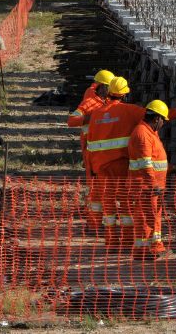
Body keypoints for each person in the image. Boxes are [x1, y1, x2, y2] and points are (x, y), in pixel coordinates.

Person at [85, 79, 176, 249]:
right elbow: (153, 113)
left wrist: (91, 167)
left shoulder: (96, 115)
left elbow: (90, 144)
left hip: (101, 166)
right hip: (122, 164)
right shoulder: (129, 110)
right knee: (126, 204)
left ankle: (111, 242)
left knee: (108, 205)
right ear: (124, 94)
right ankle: (128, 241)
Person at [66, 69, 116, 234]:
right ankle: (94, 225)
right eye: (109, 86)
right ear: (102, 86)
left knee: (107, 189)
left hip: (106, 153)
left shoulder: (109, 102)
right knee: (95, 191)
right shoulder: (89, 103)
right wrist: (90, 117)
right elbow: (72, 121)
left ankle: (104, 223)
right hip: (92, 152)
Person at [128, 100, 171, 260]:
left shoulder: (149, 132)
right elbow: (145, 163)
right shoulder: (143, 134)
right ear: (157, 118)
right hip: (146, 186)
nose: (163, 124)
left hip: (150, 186)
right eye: (163, 120)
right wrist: (153, 185)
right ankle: (148, 251)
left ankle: (150, 249)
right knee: (148, 219)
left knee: (150, 218)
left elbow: (154, 159)